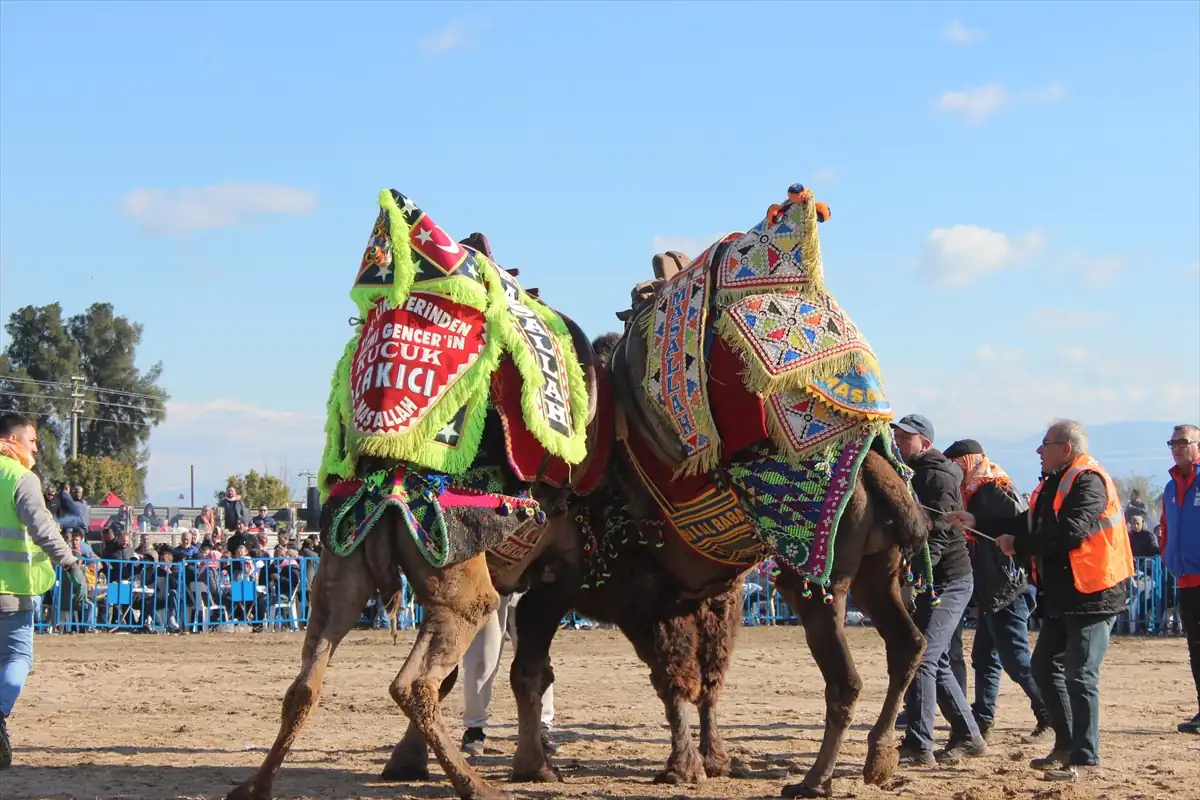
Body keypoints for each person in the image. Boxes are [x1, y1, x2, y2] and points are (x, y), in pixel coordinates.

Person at [947, 419, 1133, 782]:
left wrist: (1018, 546)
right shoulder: (1056, 481)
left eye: (1044, 444)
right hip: (1065, 594)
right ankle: (1064, 744)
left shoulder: (1088, 479)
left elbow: (1071, 532)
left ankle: (1084, 757)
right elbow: (1028, 520)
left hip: (1095, 592)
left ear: (1065, 447)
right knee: (1045, 667)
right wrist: (978, 520)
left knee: (1081, 675)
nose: (1038, 451)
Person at [891, 414, 986, 765]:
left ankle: (918, 744)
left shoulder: (939, 478)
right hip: (937, 579)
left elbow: (942, 533)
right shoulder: (912, 473)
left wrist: (917, 575)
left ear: (925, 444)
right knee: (938, 662)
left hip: (949, 579)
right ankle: (969, 736)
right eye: (897, 437)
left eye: (905, 438)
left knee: (923, 657)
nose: (898, 442)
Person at [944, 439, 1052, 743]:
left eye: (955, 463)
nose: (952, 470)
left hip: (1010, 586)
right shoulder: (975, 493)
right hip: (993, 589)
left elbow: (1017, 527)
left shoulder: (995, 488)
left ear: (968, 460)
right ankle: (983, 717)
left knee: (1015, 658)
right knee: (984, 656)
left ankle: (1049, 714)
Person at [0, 412, 88, 770]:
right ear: (13, 440)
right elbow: (43, 528)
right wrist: (71, 565)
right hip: (12, 592)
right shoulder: (21, 477)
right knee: (17, 658)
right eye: (32, 440)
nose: (35, 447)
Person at [460, 591, 556, 757]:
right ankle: (474, 728)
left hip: (529, 587)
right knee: (480, 661)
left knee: (537, 660)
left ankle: (541, 726)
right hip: (490, 586)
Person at [1161, 424, 1200, 734]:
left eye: (1183, 441)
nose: (1176, 447)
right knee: (1195, 647)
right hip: (1185, 578)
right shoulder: (1171, 488)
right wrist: (1167, 556)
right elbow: (1166, 527)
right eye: (1172, 442)